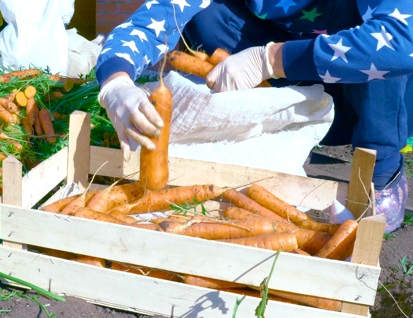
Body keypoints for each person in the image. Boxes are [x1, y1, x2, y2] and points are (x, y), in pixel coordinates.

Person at [95, 0, 413, 233]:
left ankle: (382, 174)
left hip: (361, 99)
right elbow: (157, 16)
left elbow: (404, 40)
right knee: (207, 17)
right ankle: (260, 138)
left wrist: (270, 60)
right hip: (290, 92)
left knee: (378, 35)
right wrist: (116, 82)